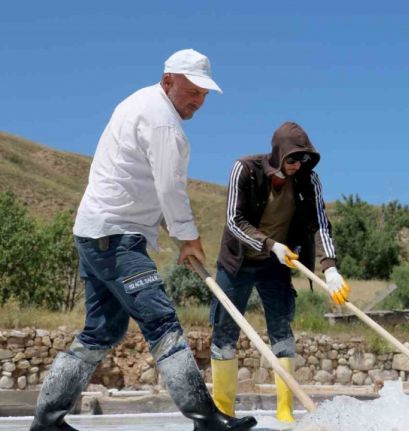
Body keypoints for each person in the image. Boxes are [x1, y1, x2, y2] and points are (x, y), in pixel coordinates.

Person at [30, 49, 256, 431]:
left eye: (205, 94)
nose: (199, 101)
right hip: (117, 239)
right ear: (169, 79)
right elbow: (169, 187)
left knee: (101, 331)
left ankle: (47, 420)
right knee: (162, 322)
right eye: (193, 90)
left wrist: (175, 232)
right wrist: (189, 237)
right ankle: (206, 419)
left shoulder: (139, 102)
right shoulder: (162, 120)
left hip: (95, 235)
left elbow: (146, 184)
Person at [210, 121, 351, 423]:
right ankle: (223, 412)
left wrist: (331, 270)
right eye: (292, 158)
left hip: (276, 264)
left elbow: (321, 224)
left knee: (282, 334)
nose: (297, 165)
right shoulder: (244, 169)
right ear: (277, 154)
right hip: (237, 262)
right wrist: (270, 244)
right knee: (224, 334)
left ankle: (285, 412)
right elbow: (234, 222)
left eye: (303, 159)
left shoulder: (307, 181)